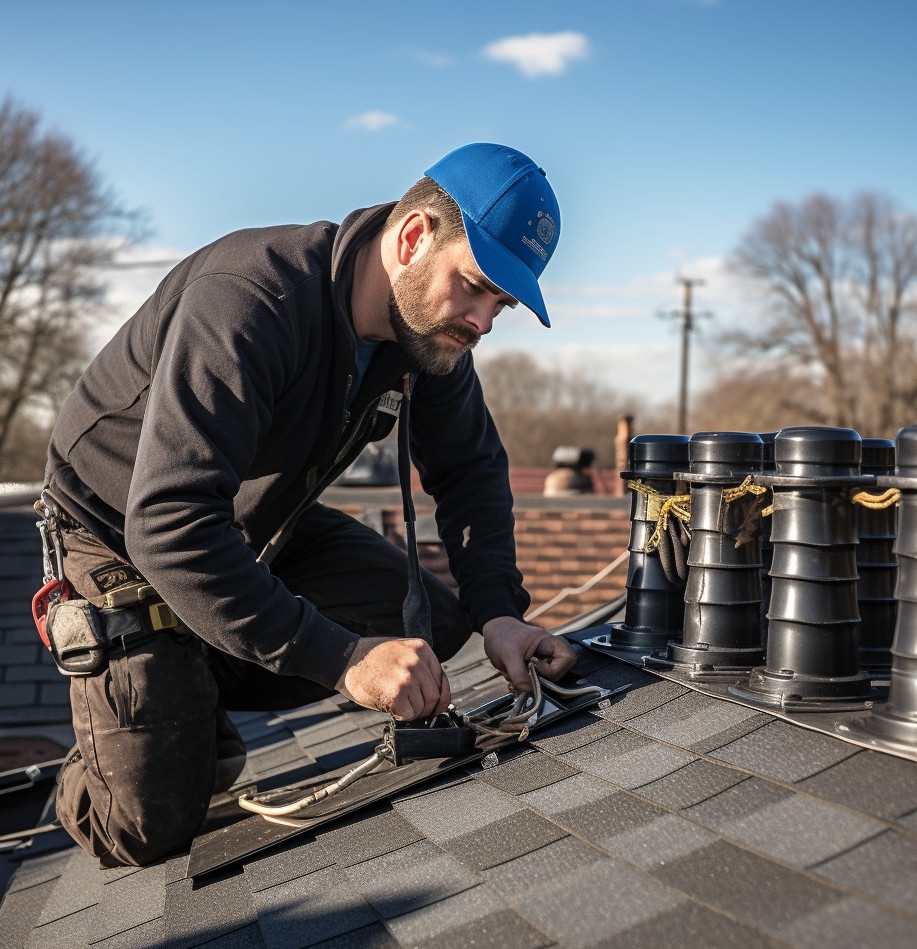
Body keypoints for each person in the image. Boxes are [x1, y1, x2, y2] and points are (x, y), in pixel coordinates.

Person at [42, 142, 578, 867]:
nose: (482, 321)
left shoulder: (429, 335)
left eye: (500, 305)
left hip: (247, 520)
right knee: (145, 826)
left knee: (431, 622)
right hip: (119, 533)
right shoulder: (250, 299)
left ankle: (187, 674)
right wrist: (343, 659)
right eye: (476, 287)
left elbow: (470, 469)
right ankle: (126, 734)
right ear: (414, 236)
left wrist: (501, 612)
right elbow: (167, 523)